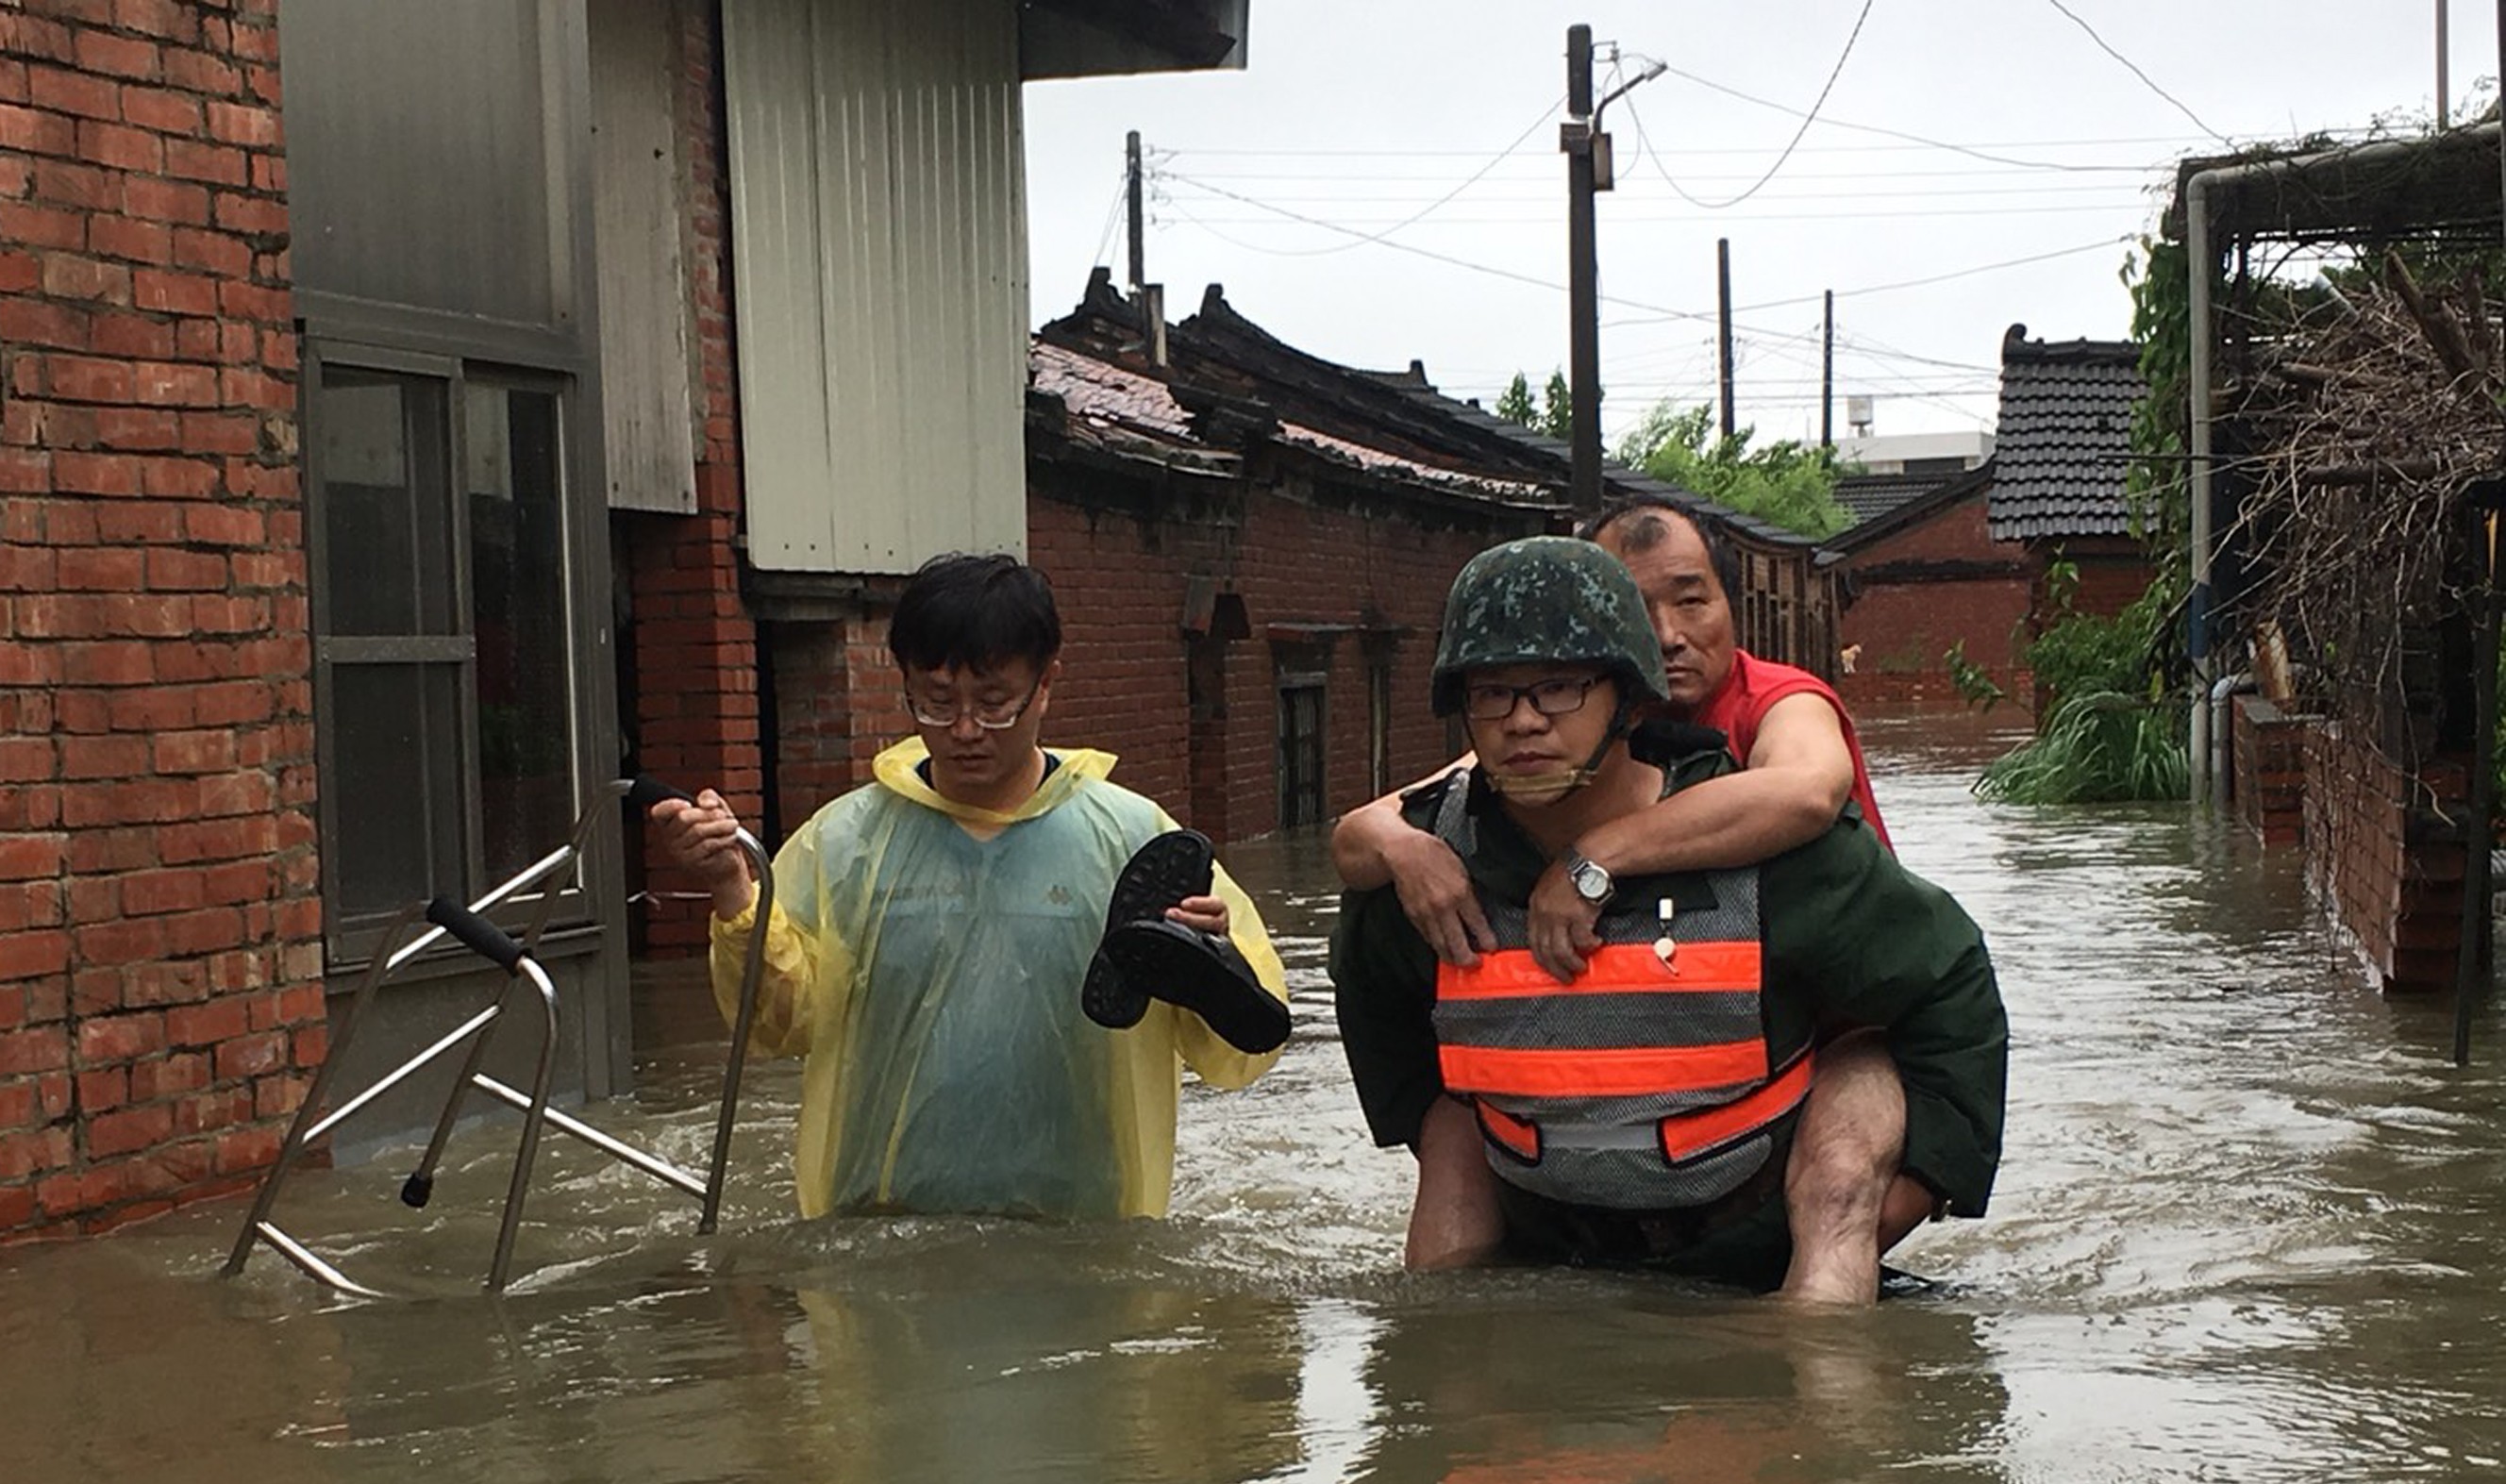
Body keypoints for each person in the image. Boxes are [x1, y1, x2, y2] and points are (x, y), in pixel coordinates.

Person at [1329, 536, 2006, 1303]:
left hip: (1762, 1209)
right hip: (1544, 1212)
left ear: (1627, 698)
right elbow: (1374, 999)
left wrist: (1912, 1189)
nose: (1523, 721)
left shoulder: (1767, 845)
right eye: (1492, 694)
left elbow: (1951, 986)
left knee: (1846, 1163)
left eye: (1559, 688)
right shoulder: (1427, 867)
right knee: (1449, 1144)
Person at [645, 552, 1289, 1222]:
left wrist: (1210, 964)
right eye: (936, 701)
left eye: (993, 702)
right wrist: (732, 887)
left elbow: (1246, 1048)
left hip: (1084, 1232)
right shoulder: (846, 843)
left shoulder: (1135, 840)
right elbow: (778, 1026)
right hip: (879, 1231)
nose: (964, 730)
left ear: (1046, 683)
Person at [1328, 498, 1887, 984]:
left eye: (1691, 602)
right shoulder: (1575, 722)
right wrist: (1407, 849)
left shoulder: (1781, 700)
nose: (1666, 635)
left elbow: (1806, 792)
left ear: (1730, 606)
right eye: (1635, 609)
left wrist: (1592, 860)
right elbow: (1373, 825)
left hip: (1842, 989)